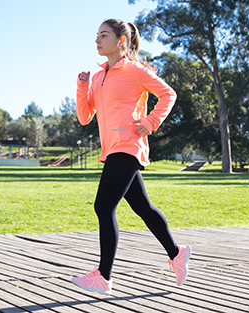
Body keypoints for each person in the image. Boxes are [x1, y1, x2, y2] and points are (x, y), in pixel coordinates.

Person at [72, 18, 191, 295]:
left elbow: (168, 94)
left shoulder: (135, 70)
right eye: (97, 35)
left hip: (128, 146)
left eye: (104, 35)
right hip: (111, 148)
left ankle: (103, 276)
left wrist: (149, 123)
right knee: (143, 208)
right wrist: (82, 87)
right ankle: (177, 252)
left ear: (121, 41)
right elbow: (84, 117)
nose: (97, 40)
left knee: (103, 207)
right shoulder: (99, 76)